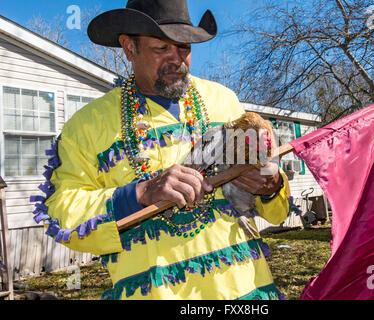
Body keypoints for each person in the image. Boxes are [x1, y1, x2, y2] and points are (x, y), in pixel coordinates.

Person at [31, 0, 291, 300]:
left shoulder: (225, 102)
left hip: (246, 291)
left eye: (184, 49)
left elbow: (275, 210)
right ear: (129, 48)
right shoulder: (87, 125)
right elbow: (63, 214)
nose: (177, 59)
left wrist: (271, 187)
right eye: (161, 49)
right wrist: (140, 193)